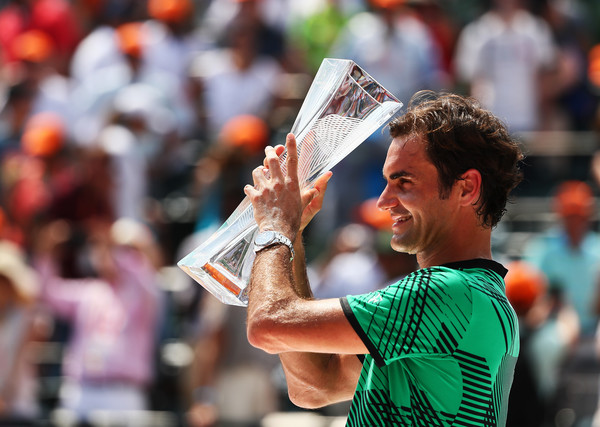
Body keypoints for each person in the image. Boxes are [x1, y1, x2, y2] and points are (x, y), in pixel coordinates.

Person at [242, 91, 524, 425]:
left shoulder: (442, 292)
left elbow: (267, 325)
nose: (383, 201)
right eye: (387, 182)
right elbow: (314, 385)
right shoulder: (482, 297)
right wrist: (294, 238)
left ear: (467, 188)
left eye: (403, 182)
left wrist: (275, 226)